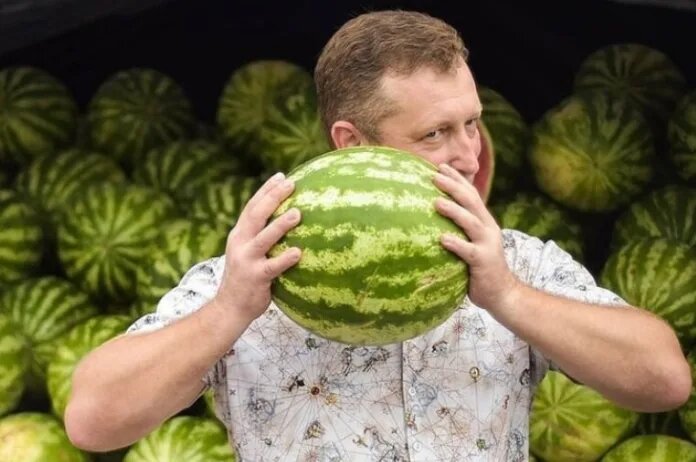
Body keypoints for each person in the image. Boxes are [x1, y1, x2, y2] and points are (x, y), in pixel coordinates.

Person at [65, 10, 690, 461]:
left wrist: (508, 296)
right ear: (352, 144)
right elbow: (92, 422)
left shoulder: (515, 262)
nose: (469, 154)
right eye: (434, 133)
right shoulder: (254, 273)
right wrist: (228, 311)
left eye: (472, 123)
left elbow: (663, 380)